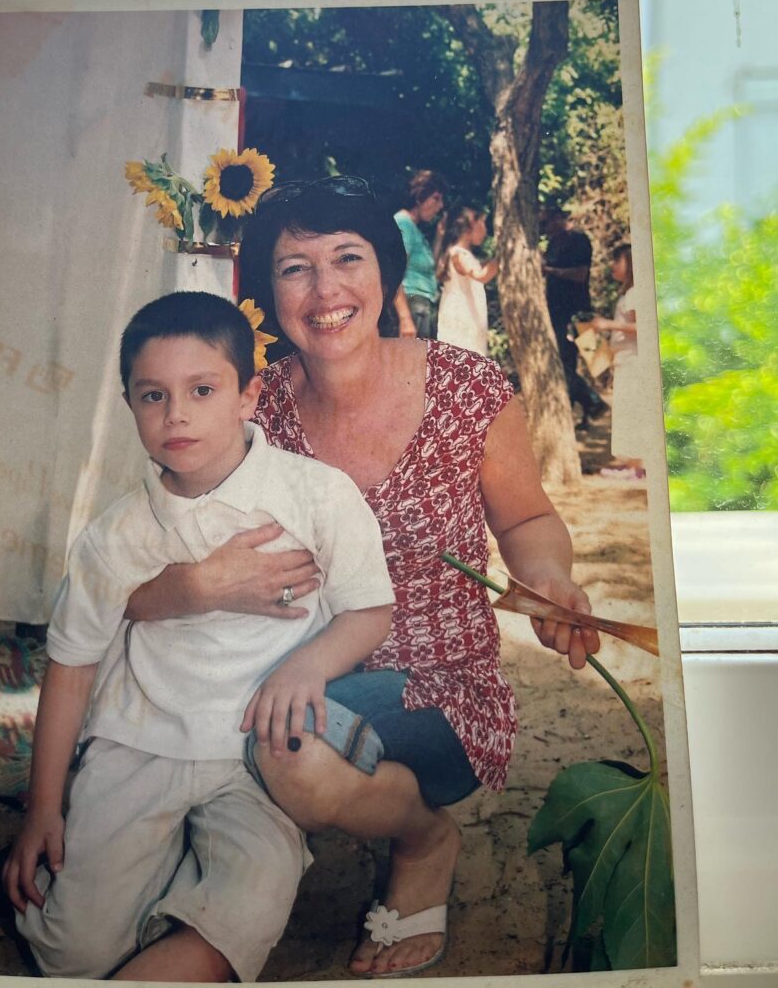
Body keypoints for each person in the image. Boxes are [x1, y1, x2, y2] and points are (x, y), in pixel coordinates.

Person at [126, 178, 601, 978]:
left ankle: (423, 841)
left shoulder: (466, 389)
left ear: (384, 270)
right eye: (295, 268)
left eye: (347, 259)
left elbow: (525, 522)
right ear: (267, 295)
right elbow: (144, 567)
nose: (326, 290)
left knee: (292, 757)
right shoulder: (251, 412)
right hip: (276, 668)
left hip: (437, 682)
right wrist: (203, 587)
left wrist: (548, 580)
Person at [2, 291, 395, 982]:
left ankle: (191, 900)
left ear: (248, 396)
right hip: (138, 744)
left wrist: (305, 667)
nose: (175, 414)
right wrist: (42, 806)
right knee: (72, 954)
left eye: (202, 390)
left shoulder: (317, 495)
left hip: (255, 758)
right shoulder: (113, 538)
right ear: (129, 405)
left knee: (247, 907)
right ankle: (149, 883)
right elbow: (70, 666)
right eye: (152, 396)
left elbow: (369, 611)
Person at [540, 207, 608, 429]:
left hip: (579, 311)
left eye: (548, 223)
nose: (546, 229)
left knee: (597, 362)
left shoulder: (579, 240)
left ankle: (593, 402)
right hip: (557, 314)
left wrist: (550, 270)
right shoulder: (551, 245)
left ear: (559, 219)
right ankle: (581, 410)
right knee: (564, 363)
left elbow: (580, 275)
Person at [590, 243, 645, 479]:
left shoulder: (635, 294)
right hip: (624, 359)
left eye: (617, 261)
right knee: (627, 411)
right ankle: (632, 462)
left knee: (634, 410)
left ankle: (637, 467)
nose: (613, 266)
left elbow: (642, 327)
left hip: (634, 359)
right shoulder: (626, 294)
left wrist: (608, 324)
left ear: (630, 264)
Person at [435, 206, 498, 355]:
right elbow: (482, 276)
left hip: (468, 319)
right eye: (482, 223)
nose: (485, 231)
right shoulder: (458, 254)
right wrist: (502, 256)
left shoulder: (465, 255)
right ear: (470, 226)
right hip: (461, 320)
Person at [393, 169, 448, 338]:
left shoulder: (415, 229)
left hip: (422, 307)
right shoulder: (403, 223)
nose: (440, 206)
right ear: (419, 197)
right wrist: (405, 318)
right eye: (436, 199)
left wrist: (439, 236)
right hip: (412, 305)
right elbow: (392, 272)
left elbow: (431, 268)